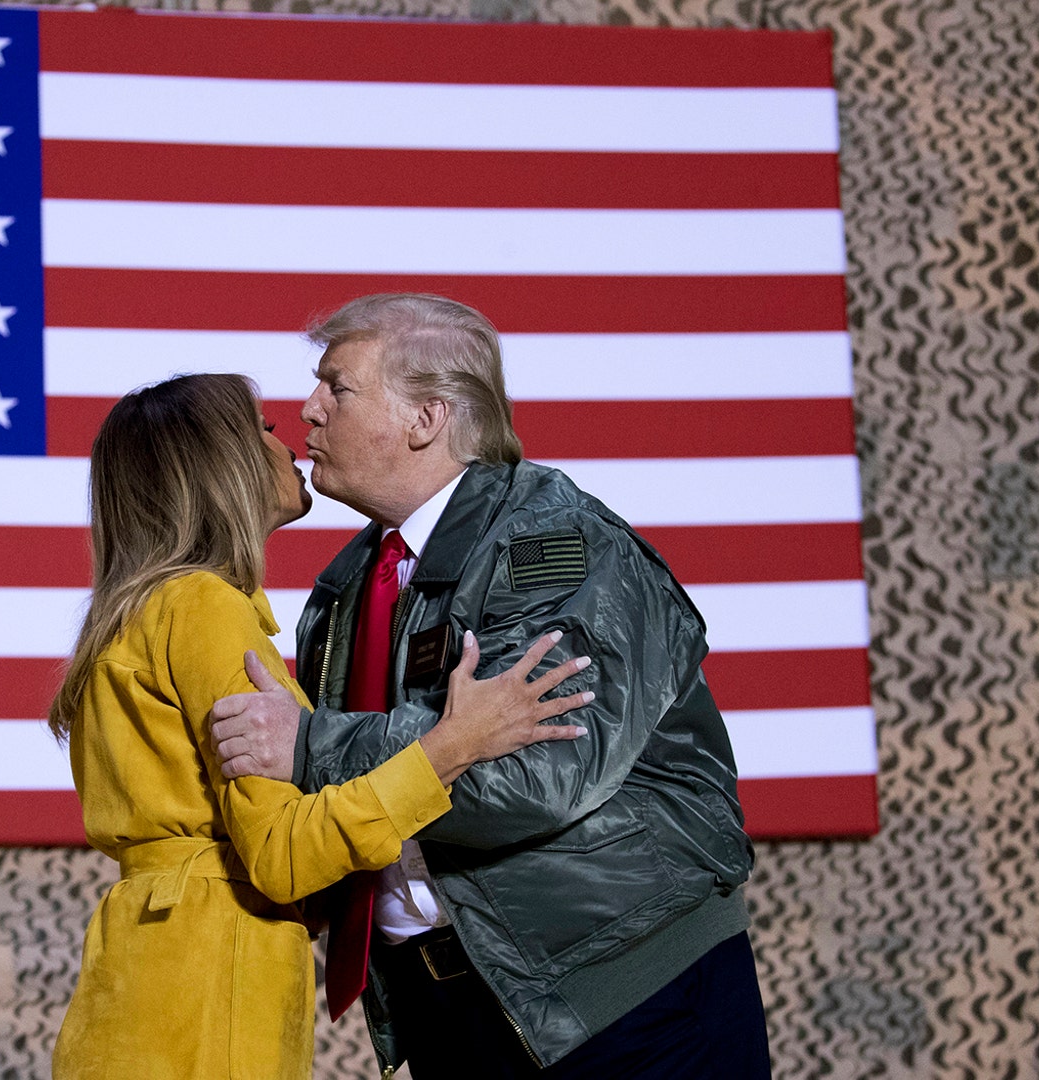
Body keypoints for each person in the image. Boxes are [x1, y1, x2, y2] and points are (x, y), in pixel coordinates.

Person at [209, 295, 770, 1078]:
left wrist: (309, 745)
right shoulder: (343, 592)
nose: (307, 409)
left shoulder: (556, 547)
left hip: (624, 1003)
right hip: (451, 1013)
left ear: (426, 417)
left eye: (337, 387)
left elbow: (528, 776)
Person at [49, 373, 590, 1080]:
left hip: (139, 986)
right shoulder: (205, 610)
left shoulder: (139, 610)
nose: (293, 436)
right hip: (205, 1005)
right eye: (266, 429)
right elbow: (281, 856)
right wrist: (450, 748)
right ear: (224, 462)